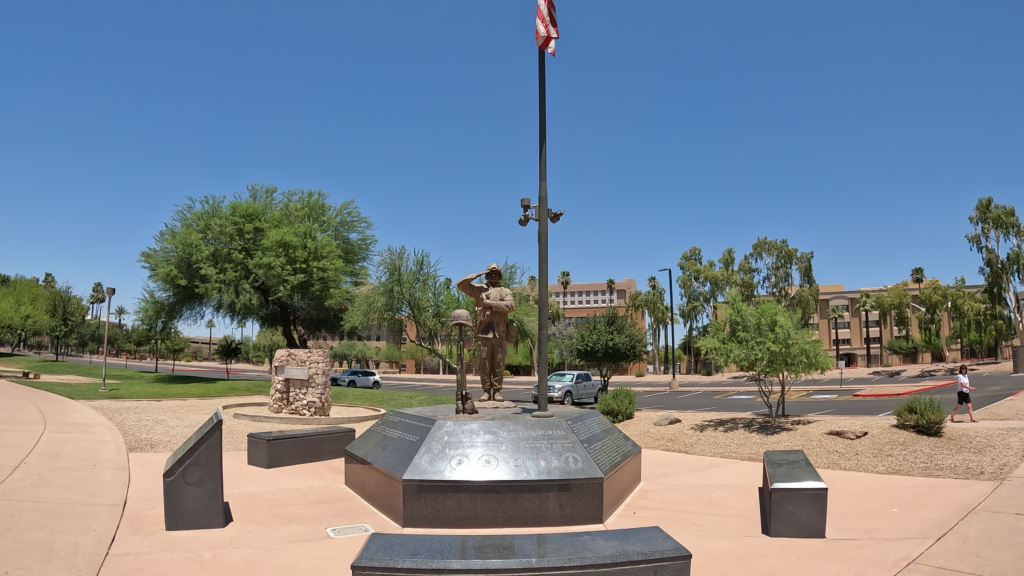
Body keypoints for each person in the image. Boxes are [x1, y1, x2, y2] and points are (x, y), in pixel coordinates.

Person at [457, 264, 515, 402]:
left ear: (500, 276)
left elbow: (511, 305)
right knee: (484, 364)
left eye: (496, 274)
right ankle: (486, 391)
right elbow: (461, 285)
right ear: (487, 275)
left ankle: (497, 391)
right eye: (490, 273)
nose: (493, 276)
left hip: (500, 332)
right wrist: (478, 274)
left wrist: (492, 304)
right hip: (484, 332)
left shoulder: (505, 291)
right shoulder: (479, 289)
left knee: (499, 363)